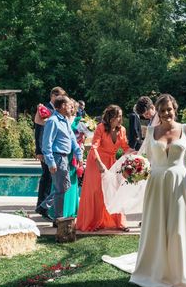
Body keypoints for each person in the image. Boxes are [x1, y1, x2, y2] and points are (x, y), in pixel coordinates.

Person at [106, 94, 186, 287]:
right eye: (162, 111)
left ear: (175, 109)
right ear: (157, 113)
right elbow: (141, 157)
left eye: (169, 109)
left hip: (180, 185)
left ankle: (182, 272)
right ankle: (158, 270)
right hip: (157, 185)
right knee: (158, 227)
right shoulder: (151, 132)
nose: (166, 113)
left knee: (179, 227)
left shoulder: (185, 129)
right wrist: (132, 168)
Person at [77, 105, 133, 231]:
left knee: (116, 189)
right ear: (110, 117)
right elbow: (94, 147)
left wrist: (137, 154)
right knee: (97, 191)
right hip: (96, 161)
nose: (120, 119)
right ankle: (94, 222)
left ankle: (119, 222)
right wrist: (99, 164)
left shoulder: (122, 130)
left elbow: (125, 147)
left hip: (112, 162)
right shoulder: (101, 128)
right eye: (117, 116)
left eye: (120, 116)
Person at [41, 95, 83, 226]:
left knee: (63, 187)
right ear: (62, 106)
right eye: (69, 105)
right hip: (58, 157)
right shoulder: (52, 121)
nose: (71, 107)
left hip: (65, 157)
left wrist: (79, 154)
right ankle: (58, 218)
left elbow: (72, 139)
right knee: (62, 188)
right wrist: (51, 162)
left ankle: (45, 207)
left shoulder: (64, 120)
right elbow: (46, 144)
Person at [34, 86, 65, 219]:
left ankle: (44, 205)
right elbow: (39, 131)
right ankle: (42, 206)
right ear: (53, 96)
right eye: (59, 97)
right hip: (47, 151)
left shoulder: (55, 110)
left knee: (50, 179)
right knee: (46, 177)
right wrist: (39, 150)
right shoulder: (45, 109)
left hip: (54, 151)